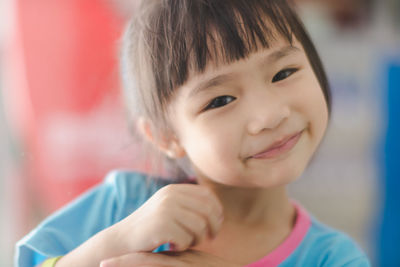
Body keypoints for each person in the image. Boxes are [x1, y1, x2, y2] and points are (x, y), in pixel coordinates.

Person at [15, 0, 370, 266]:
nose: (269, 115)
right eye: (221, 99)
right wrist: (116, 241)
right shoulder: (123, 207)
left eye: (283, 73)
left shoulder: (334, 258)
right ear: (164, 136)